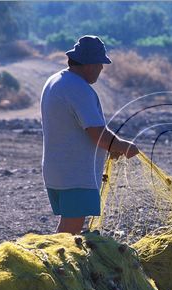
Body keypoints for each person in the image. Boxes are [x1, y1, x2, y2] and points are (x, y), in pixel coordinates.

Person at [40, 35, 139, 235]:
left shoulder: (56, 80)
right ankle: (57, 266)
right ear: (89, 65)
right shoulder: (78, 88)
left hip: (58, 170)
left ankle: (57, 264)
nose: (101, 69)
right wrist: (121, 146)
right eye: (100, 64)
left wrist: (112, 147)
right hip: (75, 174)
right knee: (70, 232)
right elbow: (98, 134)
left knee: (67, 228)